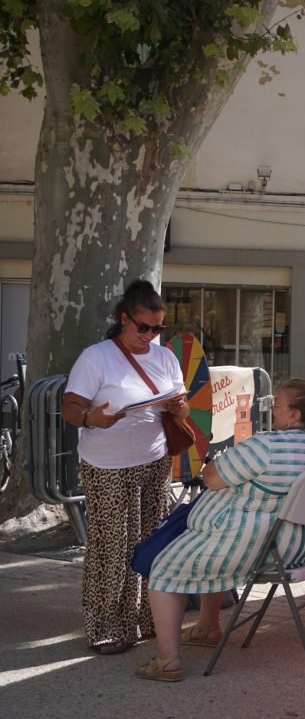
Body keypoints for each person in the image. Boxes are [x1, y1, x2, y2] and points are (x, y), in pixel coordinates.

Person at [135, 379, 305, 682]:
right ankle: (207, 627)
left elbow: (212, 478)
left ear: (294, 415)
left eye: (278, 405)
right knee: (209, 546)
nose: (273, 409)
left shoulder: (267, 446)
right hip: (303, 543)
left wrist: (218, 469)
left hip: (258, 546)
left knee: (164, 569)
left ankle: (167, 660)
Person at [60, 279, 190, 655]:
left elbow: (182, 408)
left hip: (154, 460)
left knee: (153, 545)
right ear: (123, 319)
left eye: (158, 328)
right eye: (143, 327)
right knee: (112, 547)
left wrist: (176, 406)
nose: (150, 335)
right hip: (108, 466)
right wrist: (90, 419)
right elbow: (69, 406)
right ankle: (105, 626)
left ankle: (147, 620)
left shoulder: (165, 357)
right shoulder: (97, 357)